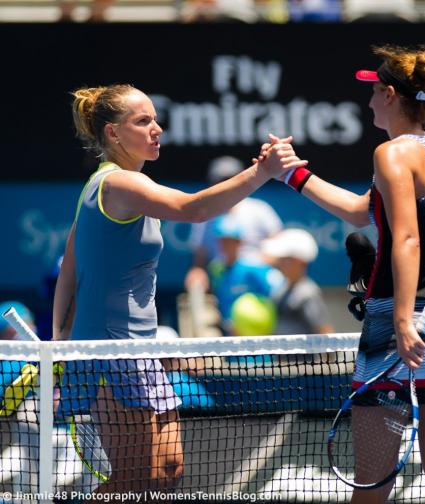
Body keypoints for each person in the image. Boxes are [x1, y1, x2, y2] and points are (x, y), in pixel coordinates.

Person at [52, 83, 302, 497]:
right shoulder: (116, 185)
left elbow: (70, 272)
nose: (157, 129)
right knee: (134, 480)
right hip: (108, 352)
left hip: (142, 350)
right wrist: (262, 172)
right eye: (143, 120)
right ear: (114, 134)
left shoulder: (117, 187)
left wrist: (59, 341)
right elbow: (193, 209)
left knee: (167, 471)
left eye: (155, 119)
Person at [262, 44, 425, 504]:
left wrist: (402, 320)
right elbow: (364, 212)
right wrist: (294, 174)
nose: (367, 103)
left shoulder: (391, 154)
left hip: (395, 330)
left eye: (371, 93)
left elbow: (405, 239)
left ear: (387, 94)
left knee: (371, 485)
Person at [184, 155, 283, 293]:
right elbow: (199, 262)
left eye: (232, 180)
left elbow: (281, 250)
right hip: (221, 280)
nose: (228, 186)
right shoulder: (203, 217)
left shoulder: (260, 209)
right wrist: (197, 273)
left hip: (259, 281)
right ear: (212, 185)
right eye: (222, 181)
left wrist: (248, 267)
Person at [206, 215, 285, 335]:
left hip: (258, 340)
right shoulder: (216, 270)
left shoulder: (255, 268)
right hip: (229, 341)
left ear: (240, 242)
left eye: (231, 241)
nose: (226, 246)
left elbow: (278, 294)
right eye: (223, 241)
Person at [260, 227, 334, 335]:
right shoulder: (280, 290)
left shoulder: (307, 293)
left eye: (285, 259)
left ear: (299, 262)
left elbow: (323, 331)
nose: (279, 262)